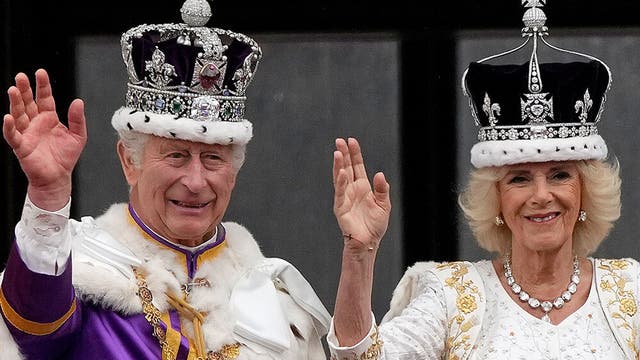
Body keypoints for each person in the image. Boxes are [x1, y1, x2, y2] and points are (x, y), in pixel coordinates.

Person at [0, 0, 330, 359]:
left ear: (234, 173)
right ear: (130, 162)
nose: (195, 181)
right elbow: (35, 327)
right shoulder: (83, 271)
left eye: (213, 158)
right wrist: (48, 196)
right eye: (176, 155)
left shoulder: (271, 296)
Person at [327, 2, 639, 360]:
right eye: (519, 179)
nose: (541, 195)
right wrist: (359, 254)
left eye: (560, 175)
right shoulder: (451, 297)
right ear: (496, 199)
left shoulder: (630, 292)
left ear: (585, 191)